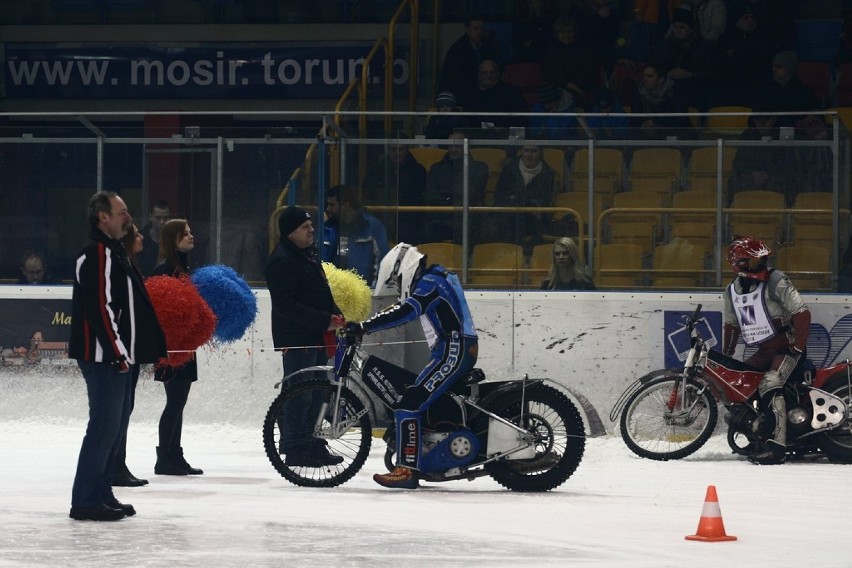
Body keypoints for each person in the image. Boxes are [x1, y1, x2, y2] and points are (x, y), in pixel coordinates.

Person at [345, 243, 478, 488]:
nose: (397, 286)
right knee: (420, 398)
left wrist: (365, 326)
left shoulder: (429, 283)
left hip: (453, 351)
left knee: (410, 401)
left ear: (404, 268)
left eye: (396, 280)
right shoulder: (436, 277)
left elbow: (406, 310)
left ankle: (406, 470)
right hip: (450, 349)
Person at [68, 191, 166, 521]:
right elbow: (100, 309)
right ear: (102, 217)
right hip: (105, 358)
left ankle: (101, 493)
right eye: (121, 212)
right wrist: (118, 353)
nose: (128, 217)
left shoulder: (111, 251)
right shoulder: (97, 252)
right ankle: (85, 500)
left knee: (112, 429)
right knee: (103, 428)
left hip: (115, 356)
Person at [266, 206, 345, 467]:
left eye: (310, 225)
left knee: (318, 392)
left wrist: (335, 314)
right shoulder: (281, 260)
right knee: (300, 394)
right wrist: (324, 319)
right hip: (298, 338)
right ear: (290, 232)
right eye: (304, 227)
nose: (312, 229)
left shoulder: (306, 255)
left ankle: (311, 442)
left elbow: (320, 292)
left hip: (317, 335)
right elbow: (285, 304)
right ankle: (296, 447)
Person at [722, 236, 811, 465]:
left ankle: (777, 447)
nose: (760, 265)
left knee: (770, 383)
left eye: (762, 260)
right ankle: (758, 434)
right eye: (754, 262)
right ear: (739, 265)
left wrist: (797, 346)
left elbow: (801, 312)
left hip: (786, 348)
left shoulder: (777, 280)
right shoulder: (731, 291)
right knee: (739, 382)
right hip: (764, 350)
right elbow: (731, 324)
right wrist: (727, 355)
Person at [150, 218, 204, 476]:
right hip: (172, 346)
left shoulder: (182, 267)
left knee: (179, 401)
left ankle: (174, 455)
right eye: (185, 234)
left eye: (190, 231)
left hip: (185, 344)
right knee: (175, 401)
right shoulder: (165, 268)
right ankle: (165, 458)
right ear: (172, 240)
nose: (191, 236)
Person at [111, 224, 149, 488]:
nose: (142, 237)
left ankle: (117, 463)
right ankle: (114, 465)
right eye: (136, 234)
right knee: (119, 409)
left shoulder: (131, 264)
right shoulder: (120, 266)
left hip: (131, 349)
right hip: (123, 349)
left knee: (126, 408)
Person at [421, 132, 489, 244]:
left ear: (466, 147)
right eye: (450, 146)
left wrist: (448, 197)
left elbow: (472, 195)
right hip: (441, 219)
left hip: (469, 219)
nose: (453, 149)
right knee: (427, 232)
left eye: (457, 146)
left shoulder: (479, 168)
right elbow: (431, 196)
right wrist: (453, 201)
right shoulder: (436, 168)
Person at [490, 144, 557, 250]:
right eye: (526, 150)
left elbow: (545, 199)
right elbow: (500, 195)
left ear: (540, 153)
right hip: (508, 213)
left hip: (534, 217)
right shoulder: (509, 169)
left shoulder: (548, 173)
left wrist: (519, 200)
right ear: (521, 151)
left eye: (534, 151)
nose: (529, 155)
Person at [322, 184, 390, 287]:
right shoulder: (329, 228)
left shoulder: (372, 227)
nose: (328, 209)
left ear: (346, 204)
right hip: (335, 293)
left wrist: (375, 291)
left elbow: (382, 262)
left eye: (332, 205)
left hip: (366, 292)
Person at [362, 139, 427, 244]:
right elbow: (367, 193)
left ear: (407, 151)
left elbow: (420, 196)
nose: (396, 153)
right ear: (388, 151)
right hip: (382, 217)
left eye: (400, 149)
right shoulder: (376, 170)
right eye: (393, 149)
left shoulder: (418, 170)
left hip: (409, 220)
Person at [541, 17, 603, 109]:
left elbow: (589, 71)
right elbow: (551, 75)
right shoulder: (552, 51)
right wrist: (572, 87)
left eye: (570, 32)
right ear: (556, 34)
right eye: (562, 32)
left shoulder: (583, 49)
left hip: (584, 87)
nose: (566, 36)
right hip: (560, 90)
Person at [456, 59, 528, 130]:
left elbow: (520, 118)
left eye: (492, 72)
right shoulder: (469, 95)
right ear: (479, 75)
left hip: (503, 137)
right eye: (485, 73)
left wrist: (504, 128)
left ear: (498, 74)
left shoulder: (512, 93)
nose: (489, 76)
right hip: (474, 136)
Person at [438, 15, 500, 95]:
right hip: (463, 91)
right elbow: (454, 78)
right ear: (467, 30)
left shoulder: (489, 46)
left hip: (486, 88)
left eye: (482, 28)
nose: (479, 32)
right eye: (475, 29)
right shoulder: (457, 50)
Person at [136, 200, 171, 276]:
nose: (162, 222)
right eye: (158, 218)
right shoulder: (140, 239)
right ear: (150, 217)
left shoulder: (173, 240)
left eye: (165, 218)